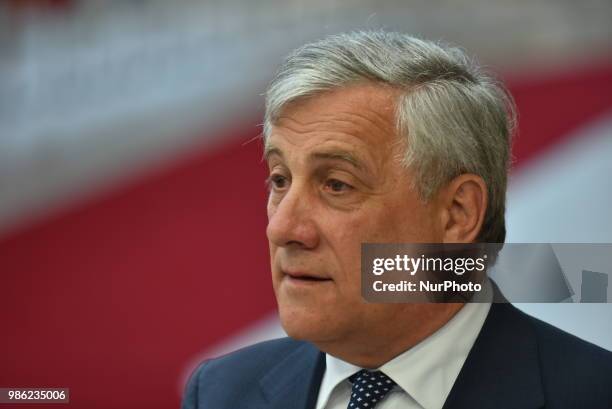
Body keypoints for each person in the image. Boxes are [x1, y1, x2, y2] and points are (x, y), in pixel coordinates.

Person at [182, 31, 612, 409]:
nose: (283, 229)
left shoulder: (592, 393)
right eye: (279, 180)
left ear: (457, 214)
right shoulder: (220, 392)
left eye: (336, 185)